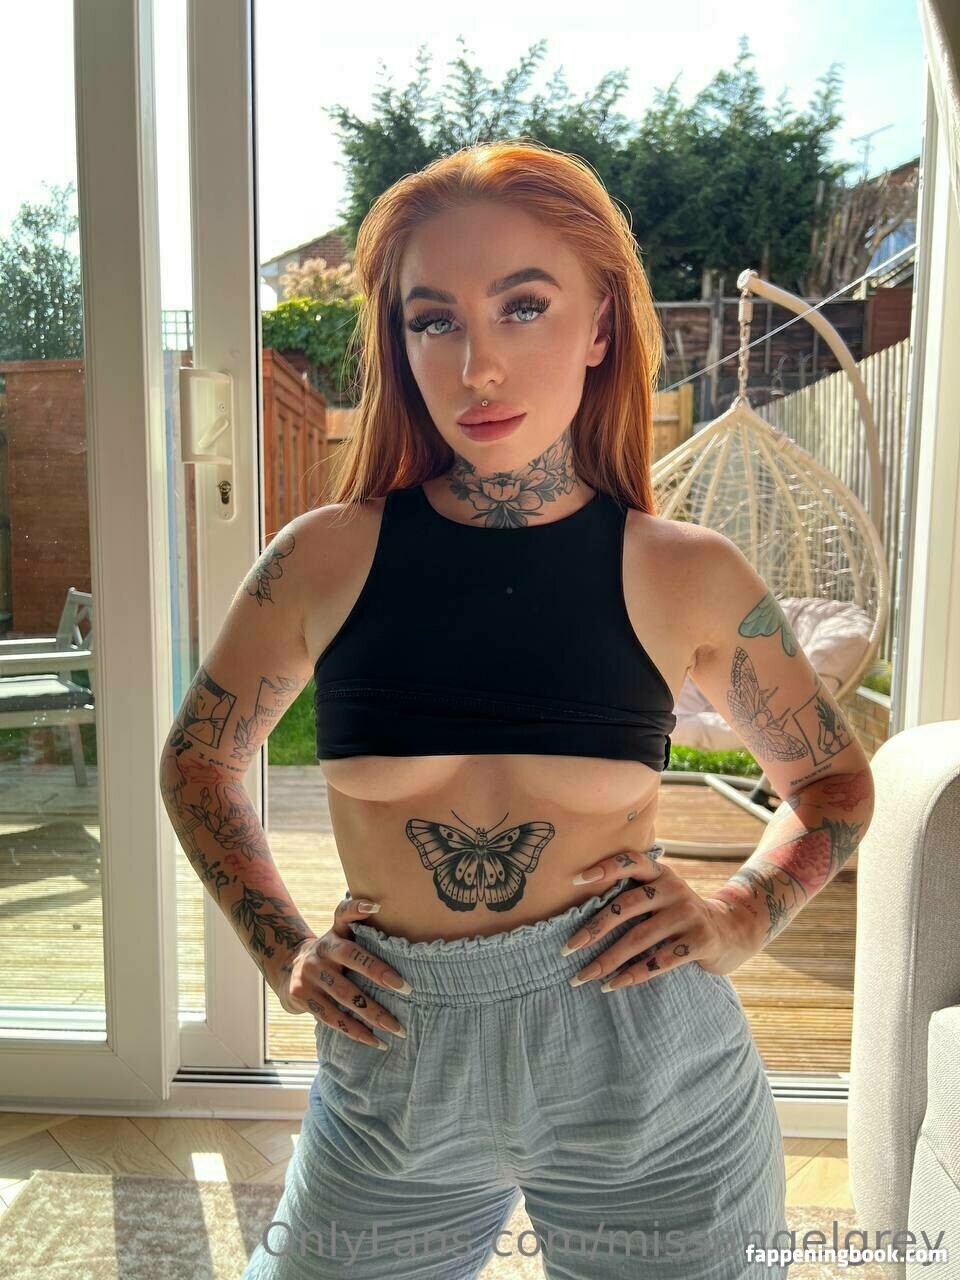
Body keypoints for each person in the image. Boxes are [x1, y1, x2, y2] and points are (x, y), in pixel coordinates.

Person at [159, 138, 873, 1278]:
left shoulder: (686, 572)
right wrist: (281, 948)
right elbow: (197, 761)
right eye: (433, 319)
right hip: (396, 1059)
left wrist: (744, 911)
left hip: (646, 1064)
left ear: (600, 327)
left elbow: (832, 782)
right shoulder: (320, 561)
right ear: (400, 343)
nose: (476, 365)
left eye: (523, 306)